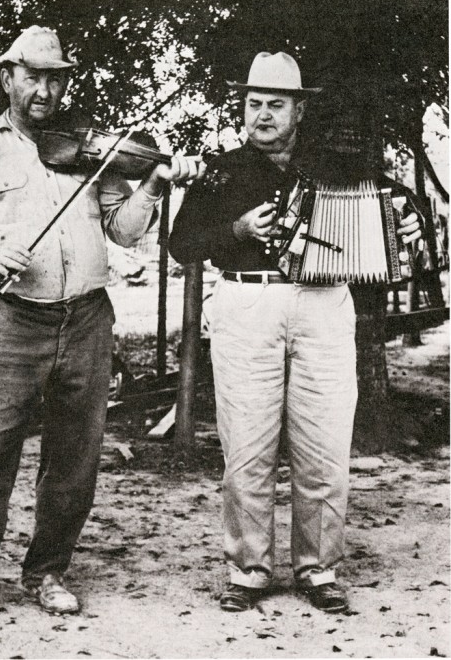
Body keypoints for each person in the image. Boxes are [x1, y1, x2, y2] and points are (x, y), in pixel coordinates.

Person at [0, 25, 205, 634]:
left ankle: (47, 572)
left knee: (74, 457)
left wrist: (154, 183)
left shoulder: (89, 150)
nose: (47, 90)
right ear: (8, 78)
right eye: (35, 76)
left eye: (57, 78)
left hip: (86, 319)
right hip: (12, 321)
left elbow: (124, 232)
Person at [169, 51, 421, 614]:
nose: (260, 115)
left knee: (325, 445)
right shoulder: (222, 169)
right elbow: (182, 244)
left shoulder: (340, 166)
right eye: (252, 103)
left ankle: (318, 568)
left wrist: (408, 220)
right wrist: (234, 228)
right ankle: (250, 570)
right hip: (247, 300)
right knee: (247, 445)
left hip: (325, 303)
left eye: (274, 104)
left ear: (299, 110)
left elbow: (398, 209)